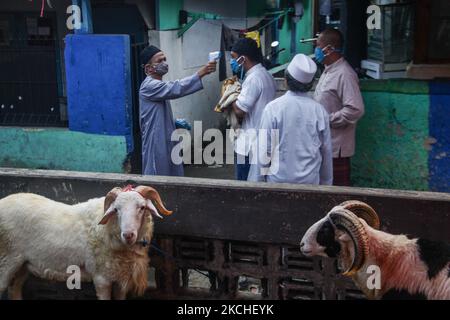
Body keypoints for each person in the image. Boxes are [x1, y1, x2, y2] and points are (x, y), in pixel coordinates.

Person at [248, 54, 333, 185]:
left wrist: (255, 184)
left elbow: (263, 151)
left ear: (285, 80)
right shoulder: (319, 111)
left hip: (277, 183)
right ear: (310, 85)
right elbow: (326, 153)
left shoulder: (273, 108)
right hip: (310, 184)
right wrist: (326, 185)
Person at [139, 45, 216, 176]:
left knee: (171, 173)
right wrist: (201, 73)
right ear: (148, 68)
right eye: (159, 61)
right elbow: (176, 87)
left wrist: (173, 122)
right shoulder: (149, 86)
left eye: (165, 59)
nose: (164, 63)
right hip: (155, 141)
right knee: (157, 175)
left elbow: (156, 114)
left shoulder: (158, 86)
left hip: (165, 136)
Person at [313, 28, 365, 186]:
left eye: (317, 46)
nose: (315, 50)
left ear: (328, 49)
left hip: (337, 149)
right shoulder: (327, 71)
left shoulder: (345, 74)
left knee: (337, 194)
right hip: (323, 146)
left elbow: (356, 109)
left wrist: (327, 120)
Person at [229, 38, 277, 181]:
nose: (231, 62)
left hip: (249, 143)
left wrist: (230, 94)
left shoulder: (253, 79)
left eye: (233, 58)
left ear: (243, 58)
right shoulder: (266, 75)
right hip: (263, 140)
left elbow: (239, 110)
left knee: (244, 189)